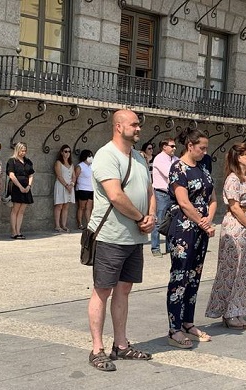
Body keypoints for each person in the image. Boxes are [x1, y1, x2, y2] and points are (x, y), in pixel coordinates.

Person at [87, 109, 156, 372]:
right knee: (102, 290)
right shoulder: (106, 155)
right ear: (118, 126)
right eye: (134, 125)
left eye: (139, 125)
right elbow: (115, 195)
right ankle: (97, 349)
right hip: (111, 237)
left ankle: (121, 344)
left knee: (124, 290)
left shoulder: (138, 156)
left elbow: (149, 190)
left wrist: (151, 215)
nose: (139, 129)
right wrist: (141, 217)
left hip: (134, 238)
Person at [166, 128, 217, 349]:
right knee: (180, 276)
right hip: (184, 229)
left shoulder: (204, 167)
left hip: (200, 230)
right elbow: (184, 202)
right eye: (202, 148)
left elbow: (213, 197)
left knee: (194, 276)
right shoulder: (178, 168)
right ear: (190, 146)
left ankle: (188, 322)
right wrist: (203, 222)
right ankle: (174, 328)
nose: (205, 152)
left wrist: (208, 219)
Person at [205, 143, 246, 330]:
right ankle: (228, 312)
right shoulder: (233, 179)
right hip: (237, 226)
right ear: (238, 157)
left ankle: (238, 309)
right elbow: (235, 206)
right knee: (233, 269)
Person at [150, 138, 179, 257]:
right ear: (164, 147)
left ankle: (169, 246)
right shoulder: (159, 159)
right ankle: (155, 247)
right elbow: (170, 174)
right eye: (172, 146)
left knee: (171, 221)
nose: (174, 148)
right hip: (161, 193)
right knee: (158, 221)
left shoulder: (176, 159)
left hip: (173, 194)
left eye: (174, 146)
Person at [6, 142, 34, 239]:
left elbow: (31, 175)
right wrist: (20, 187)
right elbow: (11, 175)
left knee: (21, 210)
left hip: (26, 186)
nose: (23, 152)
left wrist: (29, 186)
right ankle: (14, 232)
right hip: (16, 187)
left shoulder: (28, 161)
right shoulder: (12, 161)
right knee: (15, 209)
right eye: (22, 150)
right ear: (17, 150)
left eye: (25, 151)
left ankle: (19, 231)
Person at [53, 144, 76, 233]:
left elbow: (74, 176)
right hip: (61, 185)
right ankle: (57, 225)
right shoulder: (58, 162)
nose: (67, 153)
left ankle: (64, 225)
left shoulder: (71, 164)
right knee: (59, 205)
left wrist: (72, 184)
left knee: (66, 205)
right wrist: (66, 185)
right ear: (62, 152)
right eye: (65, 151)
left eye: (69, 151)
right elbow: (59, 176)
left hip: (70, 186)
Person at [75, 149, 94, 230]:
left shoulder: (92, 166)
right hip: (82, 189)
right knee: (81, 207)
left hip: (91, 189)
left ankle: (89, 224)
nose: (91, 157)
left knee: (89, 208)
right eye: (89, 156)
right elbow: (75, 177)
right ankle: (80, 224)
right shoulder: (80, 166)